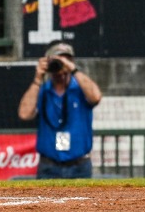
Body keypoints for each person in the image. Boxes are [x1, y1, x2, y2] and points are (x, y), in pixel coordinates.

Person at [18, 41, 102, 179]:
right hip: (49, 166)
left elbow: (96, 97)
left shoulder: (81, 88)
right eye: (57, 61)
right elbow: (24, 114)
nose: (61, 66)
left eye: (66, 60)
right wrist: (38, 78)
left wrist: (73, 69)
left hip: (79, 165)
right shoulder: (42, 90)